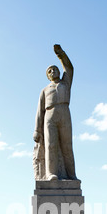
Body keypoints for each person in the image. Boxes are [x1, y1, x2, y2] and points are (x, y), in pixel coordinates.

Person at [33, 44, 77, 181]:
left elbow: (69, 68)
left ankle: (71, 174)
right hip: (49, 116)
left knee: (67, 145)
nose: (53, 72)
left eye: (55, 69)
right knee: (51, 145)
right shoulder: (45, 90)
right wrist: (37, 130)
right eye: (50, 71)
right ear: (48, 76)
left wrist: (61, 55)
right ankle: (51, 173)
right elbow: (39, 111)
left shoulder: (65, 83)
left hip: (64, 113)